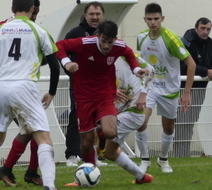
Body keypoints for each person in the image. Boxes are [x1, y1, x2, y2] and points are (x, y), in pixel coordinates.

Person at [0, 1, 60, 190]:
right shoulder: (39, 30)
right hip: (25, 86)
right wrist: (51, 92)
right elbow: (54, 65)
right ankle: (50, 186)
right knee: (44, 139)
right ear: (32, 8)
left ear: (12, 9)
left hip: (1, 88)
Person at [56, 20, 146, 169]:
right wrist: (66, 63)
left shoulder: (119, 46)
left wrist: (136, 70)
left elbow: (129, 54)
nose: (106, 46)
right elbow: (59, 45)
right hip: (83, 96)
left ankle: (98, 128)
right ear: (98, 36)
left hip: (104, 94)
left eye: (110, 42)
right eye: (104, 41)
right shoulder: (84, 43)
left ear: (115, 40)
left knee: (110, 132)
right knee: (86, 143)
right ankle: (90, 169)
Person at [136, 3, 196, 173]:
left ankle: (163, 159)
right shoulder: (141, 37)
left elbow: (191, 64)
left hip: (169, 90)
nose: (153, 22)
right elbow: (142, 60)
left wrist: (186, 93)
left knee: (168, 127)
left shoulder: (171, 38)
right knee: (140, 121)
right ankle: (145, 159)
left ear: (162, 19)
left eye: (156, 19)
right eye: (150, 19)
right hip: (149, 87)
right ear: (145, 20)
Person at [62, 1, 107, 167]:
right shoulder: (75, 33)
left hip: (100, 84)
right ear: (85, 15)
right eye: (91, 14)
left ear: (102, 16)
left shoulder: (106, 33)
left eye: (98, 14)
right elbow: (61, 53)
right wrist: (70, 71)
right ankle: (72, 155)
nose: (94, 17)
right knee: (76, 116)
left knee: (97, 119)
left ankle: (93, 156)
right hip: (79, 85)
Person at [103, 54, 155, 184]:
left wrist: (143, 95)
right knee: (109, 153)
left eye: (110, 41)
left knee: (98, 132)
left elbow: (151, 71)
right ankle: (142, 177)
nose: (106, 45)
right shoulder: (98, 58)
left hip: (133, 112)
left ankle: (87, 172)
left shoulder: (127, 55)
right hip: (118, 112)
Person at [173, 17, 212, 157]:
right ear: (196, 28)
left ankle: (182, 154)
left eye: (208, 29)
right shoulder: (186, 42)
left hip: (200, 90)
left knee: (189, 123)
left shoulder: (210, 45)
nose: (205, 32)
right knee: (182, 123)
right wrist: (205, 72)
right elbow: (182, 66)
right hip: (183, 89)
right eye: (203, 28)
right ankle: (179, 154)